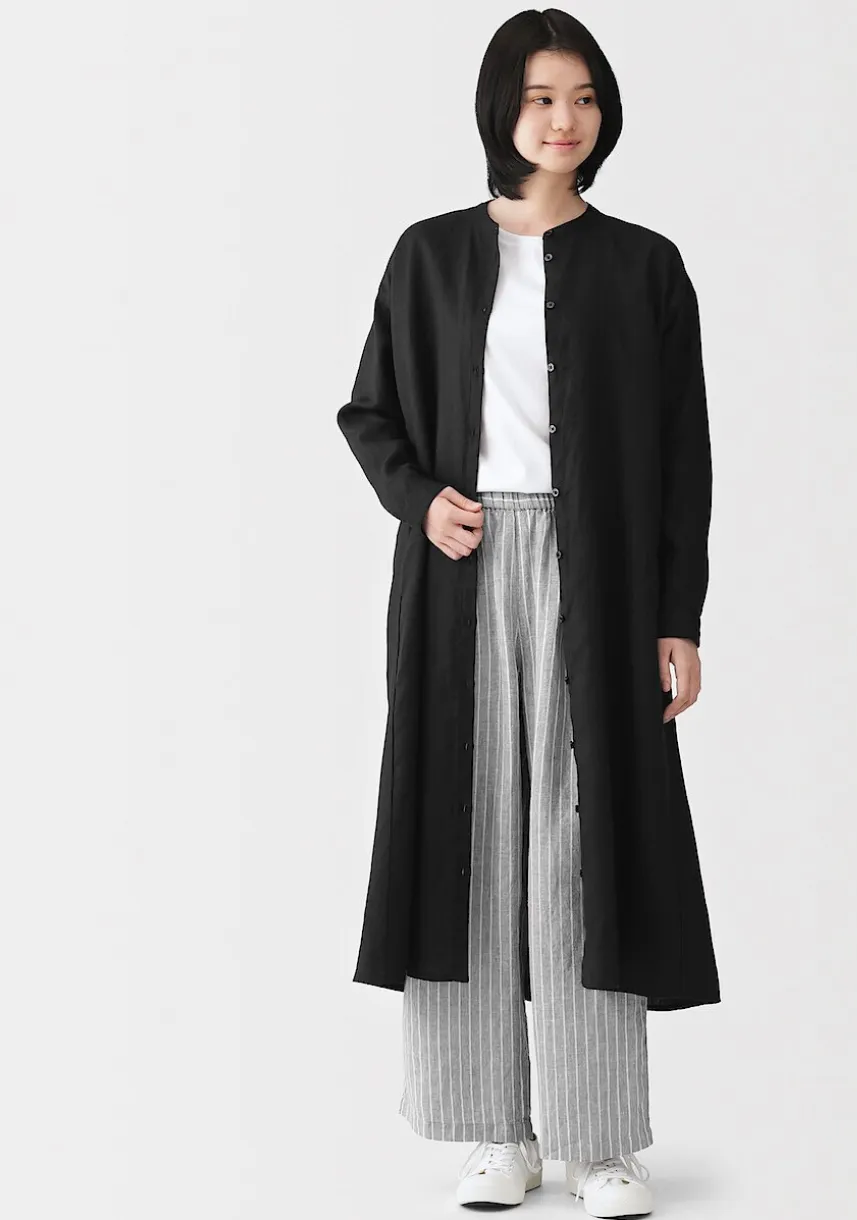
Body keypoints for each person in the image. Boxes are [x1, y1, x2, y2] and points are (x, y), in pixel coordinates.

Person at [337, 9, 718, 1215]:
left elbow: (683, 452)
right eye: (543, 96)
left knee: (583, 838)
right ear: (501, 106)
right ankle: (491, 1128)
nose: (565, 119)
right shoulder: (427, 255)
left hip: (600, 572)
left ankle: (600, 1138)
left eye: (585, 98)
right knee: (467, 829)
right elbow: (368, 413)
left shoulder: (643, 265)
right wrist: (420, 500)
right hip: (462, 570)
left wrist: (677, 612)